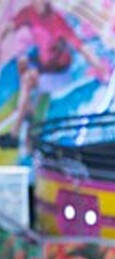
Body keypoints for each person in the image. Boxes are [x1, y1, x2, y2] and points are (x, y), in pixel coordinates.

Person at [0, 0, 107, 148]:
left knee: (28, 80)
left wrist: (101, 67)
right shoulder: (29, 12)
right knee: (24, 68)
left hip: (59, 73)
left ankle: (16, 132)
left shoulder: (57, 20)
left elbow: (80, 47)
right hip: (43, 67)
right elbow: (9, 26)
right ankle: (27, 115)